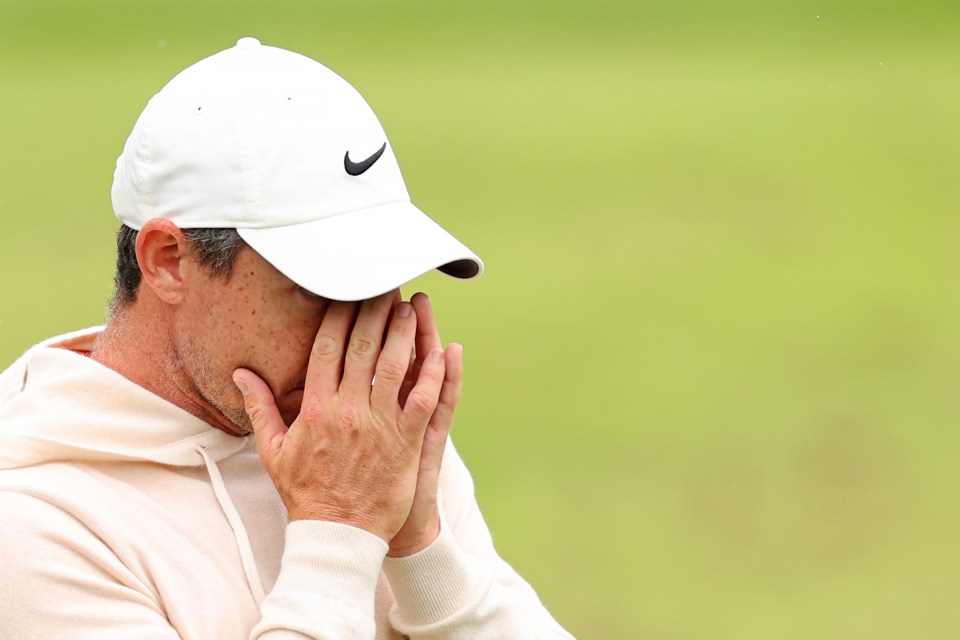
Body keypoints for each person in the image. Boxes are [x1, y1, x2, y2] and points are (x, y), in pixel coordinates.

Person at [0, 38, 574, 639]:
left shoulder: (365, 439)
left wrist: (423, 551)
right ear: (169, 260)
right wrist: (338, 533)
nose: (358, 340)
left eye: (381, 278)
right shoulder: (32, 527)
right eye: (317, 285)